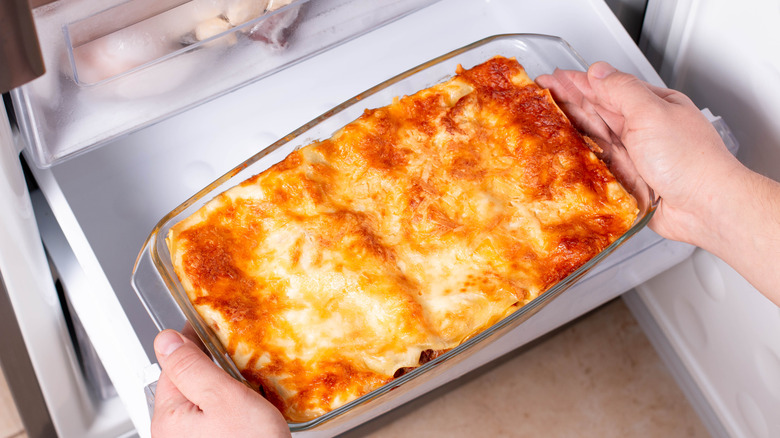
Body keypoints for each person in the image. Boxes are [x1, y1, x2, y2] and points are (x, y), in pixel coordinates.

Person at [150, 62, 780, 437]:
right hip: (267, 305)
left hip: (555, 201)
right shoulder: (203, 248)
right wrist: (713, 195)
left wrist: (712, 195)